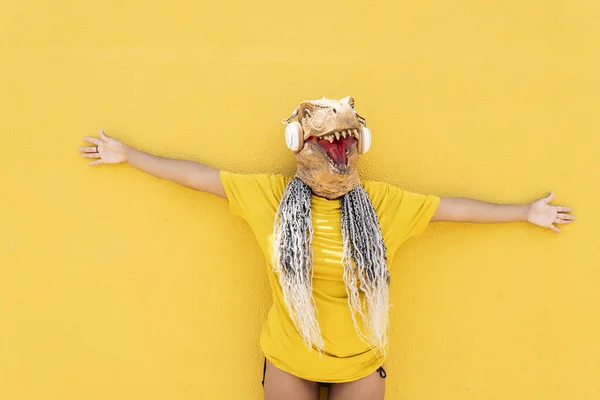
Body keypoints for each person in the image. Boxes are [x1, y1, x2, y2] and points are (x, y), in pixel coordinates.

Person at [78, 96, 575, 400]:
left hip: (360, 364)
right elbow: (198, 177)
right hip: (289, 361)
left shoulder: (383, 205)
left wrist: (524, 212)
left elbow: (456, 210)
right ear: (298, 143)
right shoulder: (269, 198)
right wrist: (129, 156)